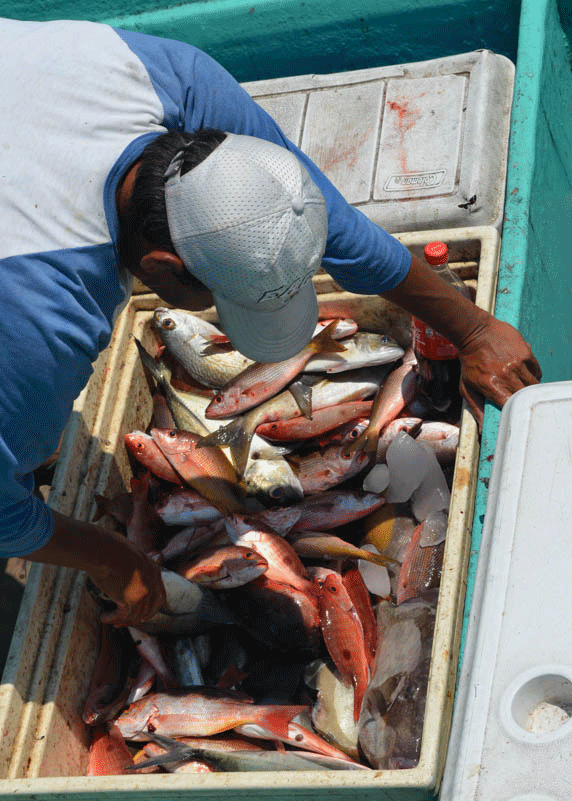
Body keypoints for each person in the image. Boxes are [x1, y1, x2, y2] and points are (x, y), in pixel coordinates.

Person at [0, 18, 541, 627]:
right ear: (164, 271)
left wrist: (472, 329)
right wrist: (116, 561)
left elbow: (323, 220)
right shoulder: (45, 319)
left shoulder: (163, 79)